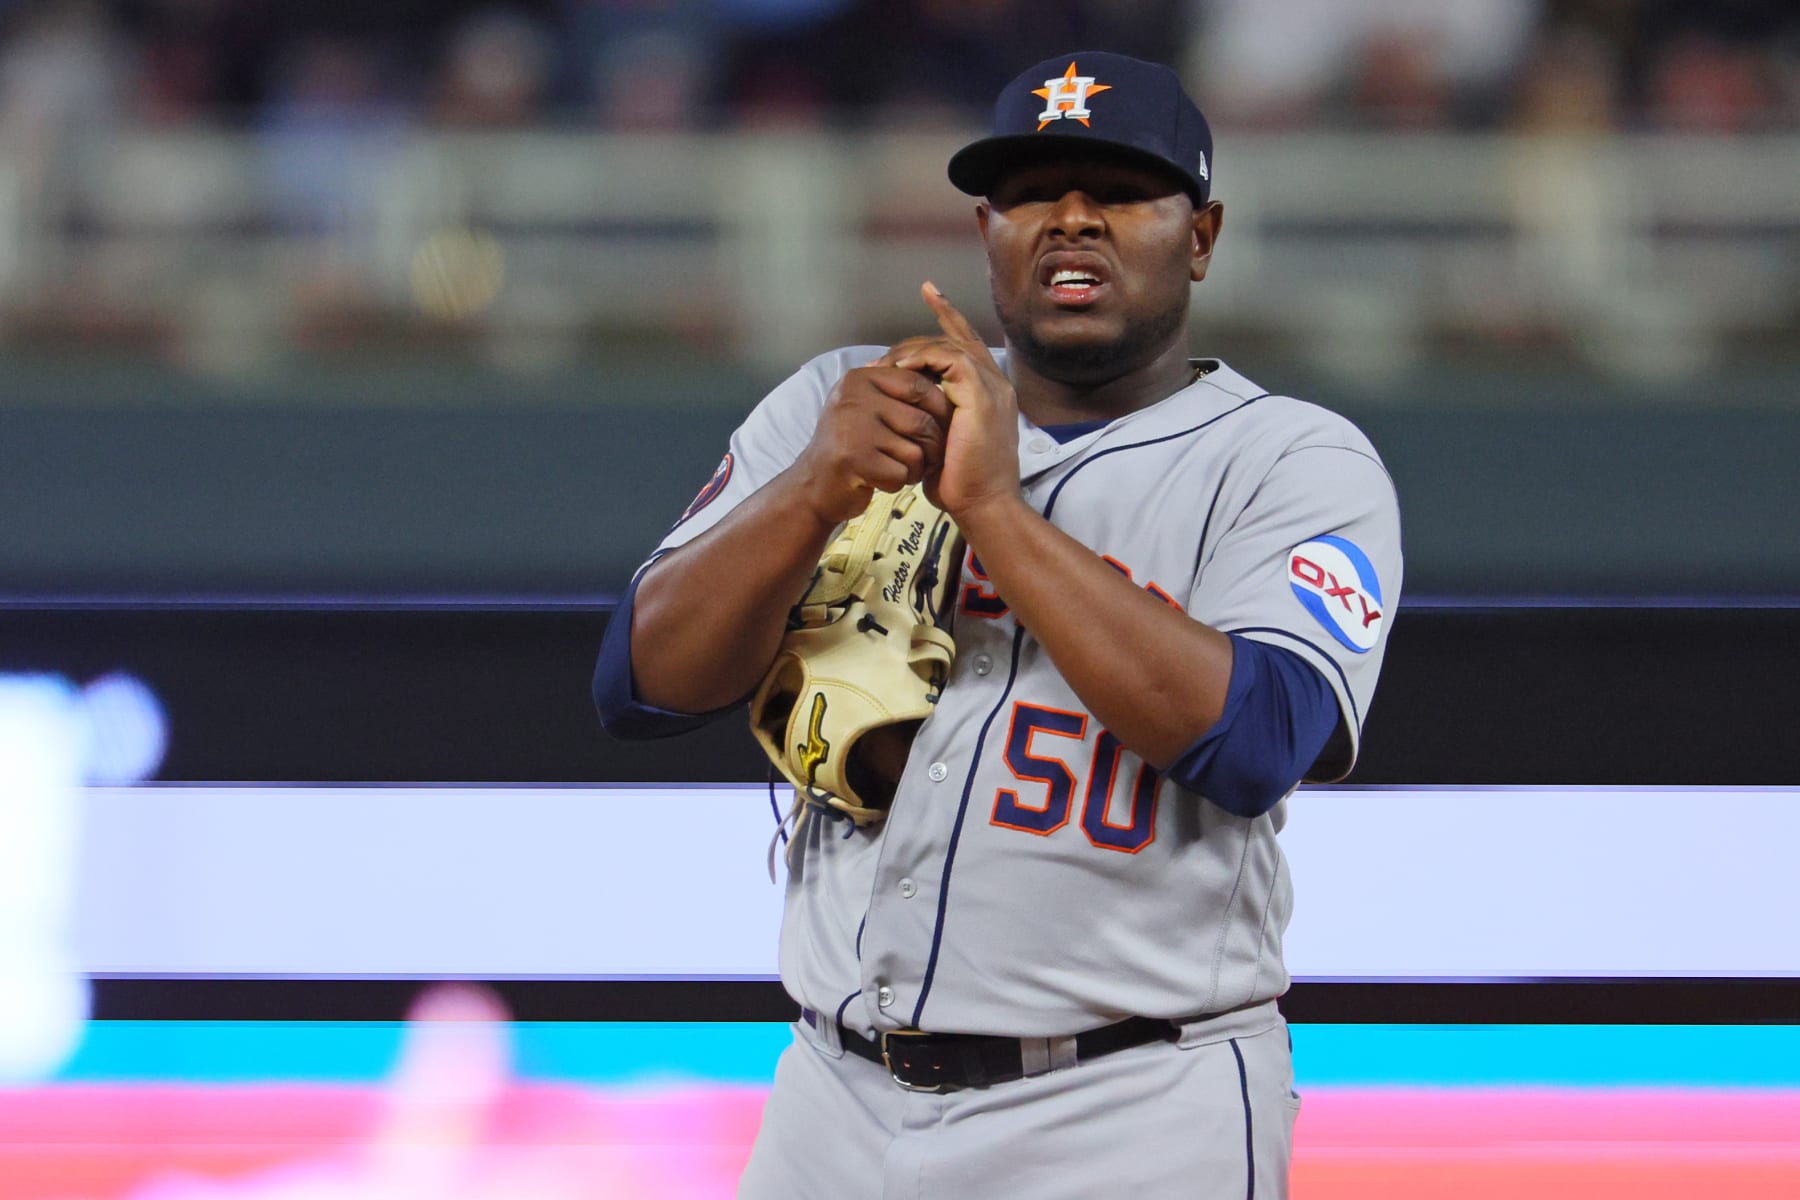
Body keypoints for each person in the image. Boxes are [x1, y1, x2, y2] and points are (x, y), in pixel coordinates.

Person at [595, 50, 1401, 1200]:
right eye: (1033, 192)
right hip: (834, 1094)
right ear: (987, 234)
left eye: (1119, 189)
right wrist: (813, 494)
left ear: (1203, 237)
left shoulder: (1290, 459)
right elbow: (640, 685)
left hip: (1130, 1106)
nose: (1071, 219)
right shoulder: (847, 405)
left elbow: (1259, 742)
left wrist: (990, 507)